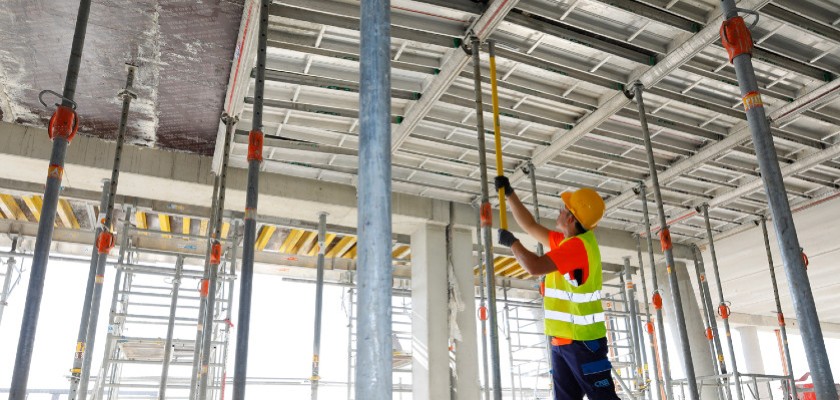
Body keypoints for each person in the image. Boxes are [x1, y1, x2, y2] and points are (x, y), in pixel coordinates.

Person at [494, 176, 620, 400]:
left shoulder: (576, 248)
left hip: (583, 343)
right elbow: (530, 226)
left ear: (571, 218)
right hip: (563, 341)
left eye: (564, 209)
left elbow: (534, 266)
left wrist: (513, 243)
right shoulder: (566, 242)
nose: (560, 212)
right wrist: (510, 194)